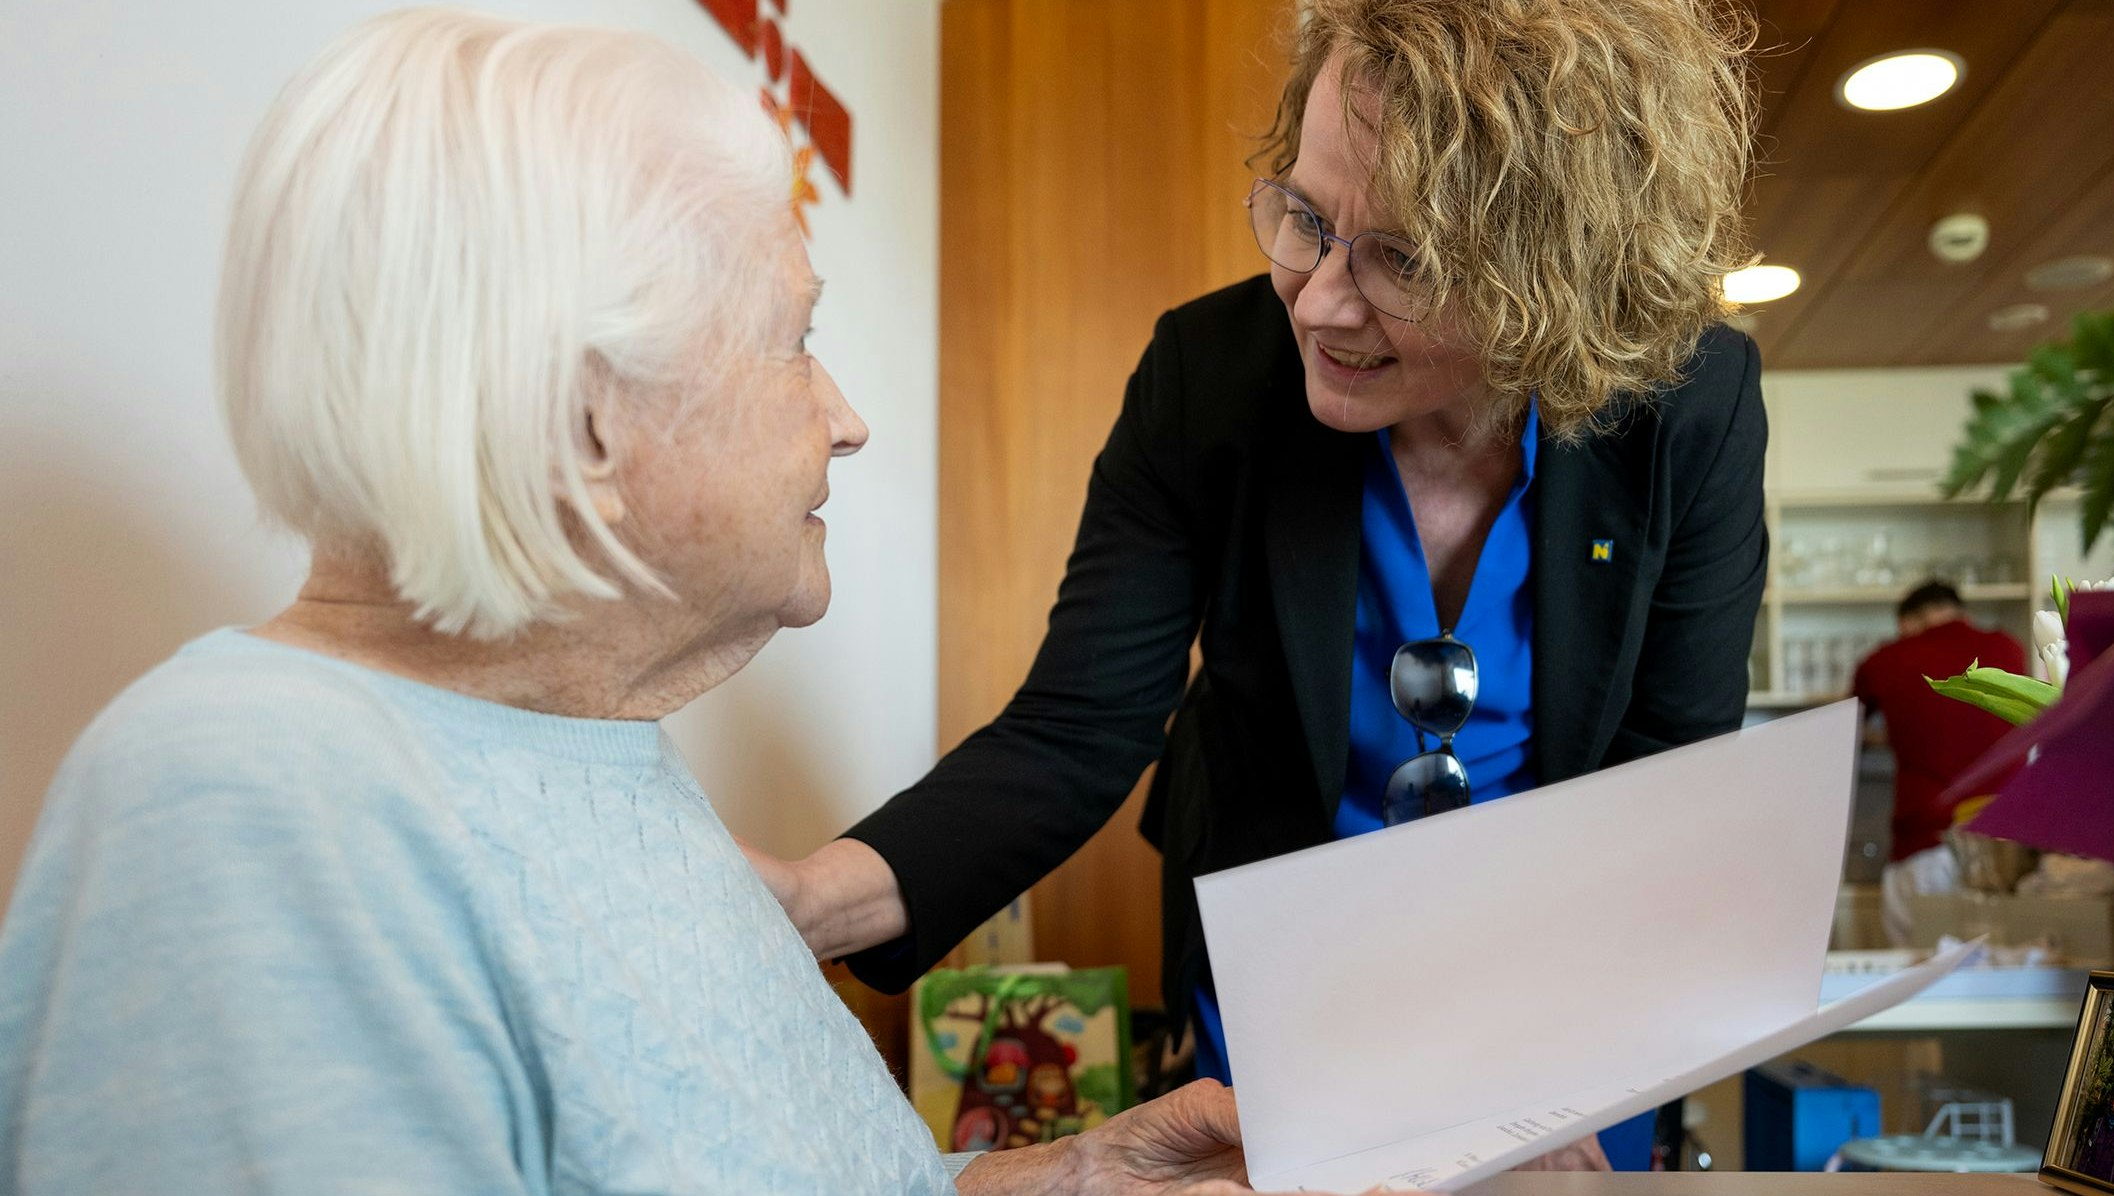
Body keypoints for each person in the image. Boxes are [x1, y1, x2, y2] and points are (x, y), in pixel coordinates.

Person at [0, 12, 1271, 1194]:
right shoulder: (248, 810)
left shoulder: (595, 754)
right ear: (588, 419)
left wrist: (1063, 1178)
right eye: (791, 339)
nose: (845, 418)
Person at [748, 0, 1763, 1171]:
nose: (1318, 301)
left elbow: (1669, 777)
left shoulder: (1690, 403)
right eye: (1306, 217)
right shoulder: (1208, 377)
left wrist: (1568, 1075)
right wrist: (801, 902)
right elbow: (1076, 726)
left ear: (1556, 276)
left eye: (1404, 258)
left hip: (1573, 993)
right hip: (1279, 991)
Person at [1851, 581, 2025, 863]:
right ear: (1962, 615)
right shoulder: (2009, 647)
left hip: (1925, 842)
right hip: (2005, 844)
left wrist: (1885, 736)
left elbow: (1847, 731)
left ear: (1910, 621)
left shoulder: (1886, 660)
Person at [2075, 1078, 2114, 1183]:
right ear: (2112, 1097)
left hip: (2106, 1184)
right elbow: (2086, 1152)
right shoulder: (2099, 1122)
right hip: (2088, 1178)